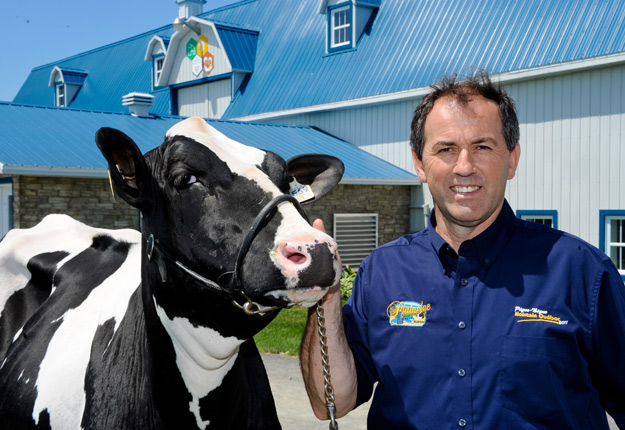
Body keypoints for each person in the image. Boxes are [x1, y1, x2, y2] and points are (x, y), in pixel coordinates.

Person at [300, 73, 625, 429]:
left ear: (512, 159)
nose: (465, 166)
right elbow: (330, 402)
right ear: (420, 164)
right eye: (446, 149)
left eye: (483, 146)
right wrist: (326, 298)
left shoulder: (582, 273)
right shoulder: (382, 272)